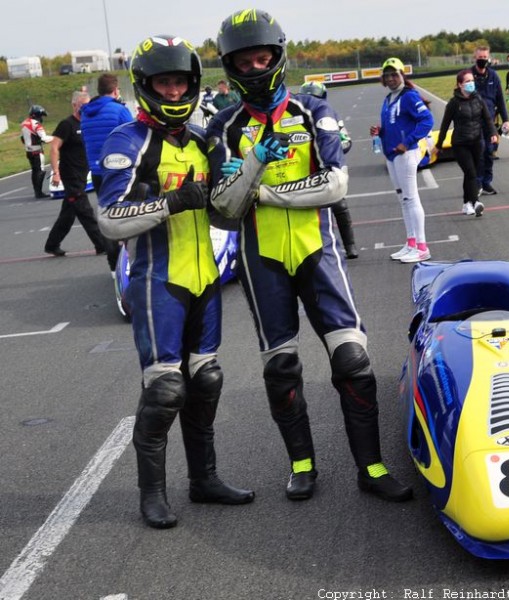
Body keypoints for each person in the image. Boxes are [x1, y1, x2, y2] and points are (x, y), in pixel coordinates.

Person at [208, 9, 412, 503]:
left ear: (279, 56)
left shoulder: (312, 110)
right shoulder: (221, 126)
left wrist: (264, 191)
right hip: (262, 261)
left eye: (263, 58)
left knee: (352, 359)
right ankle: (302, 466)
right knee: (281, 368)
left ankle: (371, 466)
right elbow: (223, 209)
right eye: (244, 61)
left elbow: (335, 184)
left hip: (318, 252)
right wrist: (256, 164)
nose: (256, 68)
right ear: (230, 66)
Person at [97, 34, 254, 529]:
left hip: (205, 276)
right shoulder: (127, 141)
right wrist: (170, 201)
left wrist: (240, 176)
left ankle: (204, 480)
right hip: (155, 281)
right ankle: (152, 494)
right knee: (166, 389)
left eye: (180, 82)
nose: (172, 92)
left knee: (206, 380)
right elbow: (110, 219)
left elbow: (227, 213)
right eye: (163, 83)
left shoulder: (203, 137)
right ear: (146, 86)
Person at [369, 57, 434, 263]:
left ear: (402, 75)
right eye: (386, 75)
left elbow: (427, 121)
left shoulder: (409, 96)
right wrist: (380, 132)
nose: (390, 79)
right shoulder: (388, 99)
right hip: (391, 154)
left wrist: (408, 142)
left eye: (394, 74)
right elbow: (394, 124)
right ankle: (411, 242)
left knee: (411, 197)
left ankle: (422, 247)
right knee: (403, 199)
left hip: (405, 154)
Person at [299, 80, 358, 259]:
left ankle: (350, 246)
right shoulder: (292, 117)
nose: (311, 101)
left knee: (339, 204)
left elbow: (346, 140)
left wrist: (333, 147)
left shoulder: (329, 115)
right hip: (303, 171)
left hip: (327, 168)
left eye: (314, 97)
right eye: (307, 98)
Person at [81, 72, 133, 272]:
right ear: (115, 89)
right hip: (119, 170)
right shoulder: (119, 110)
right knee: (130, 215)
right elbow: (132, 137)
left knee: (107, 216)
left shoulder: (86, 112)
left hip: (96, 171)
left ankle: (113, 265)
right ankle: (131, 260)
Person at [44, 91, 107, 257]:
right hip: (70, 176)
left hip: (83, 174)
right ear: (74, 105)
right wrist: (55, 172)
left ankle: (52, 244)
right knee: (85, 211)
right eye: (82, 105)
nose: (85, 108)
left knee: (68, 214)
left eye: (88, 105)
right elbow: (54, 148)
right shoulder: (67, 124)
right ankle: (102, 244)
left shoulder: (87, 123)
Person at [434, 70, 496, 217]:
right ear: (460, 85)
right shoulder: (454, 103)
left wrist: (493, 133)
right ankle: (476, 202)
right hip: (460, 144)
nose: (470, 84)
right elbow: (445, 125)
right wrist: (439, 144)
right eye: (467, 81)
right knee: (471, 173)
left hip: (476, 142)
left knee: (470, 175)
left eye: (471, 81)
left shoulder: (478, 99)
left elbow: (487, 119)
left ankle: (466, 204)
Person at [471, 46, 509, 194]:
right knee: (479, 151)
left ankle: (487, 182)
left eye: (484, 58)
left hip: (491, 122)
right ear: (475, 58)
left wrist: (506, 120)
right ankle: (477, 182)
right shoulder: (469, 76)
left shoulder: (493, 76)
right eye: (479, 58)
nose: (482, 60)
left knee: (489, 152)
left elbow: (500, 100)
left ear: (489, 58)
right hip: (474, 121)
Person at [21, 105, 54, 199]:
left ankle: (37, 191)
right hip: (37, 151)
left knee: (34, 171)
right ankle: (38, 193)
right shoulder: (36, 124)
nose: (41, 118)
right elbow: (44, 138)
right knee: (40, 171)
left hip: (28, 151)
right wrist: (56, 138)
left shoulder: (24, 123)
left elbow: (22, 138)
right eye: (41, 116)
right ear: (36, 115)